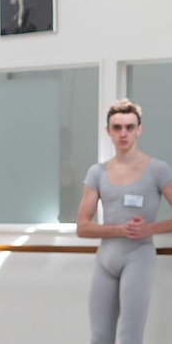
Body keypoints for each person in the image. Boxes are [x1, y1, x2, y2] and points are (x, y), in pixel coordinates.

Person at [76, 99, 172, 344]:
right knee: (99, 337)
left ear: (139, 129)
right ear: (108, 131)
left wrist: (150, 228)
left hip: (138, 257)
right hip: (106, 259)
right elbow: (82, 227)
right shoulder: (97, 172)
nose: (123, 133)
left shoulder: (158, 170)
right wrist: (120, 229)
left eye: (129, 127)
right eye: (117, 127)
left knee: (130, 337)